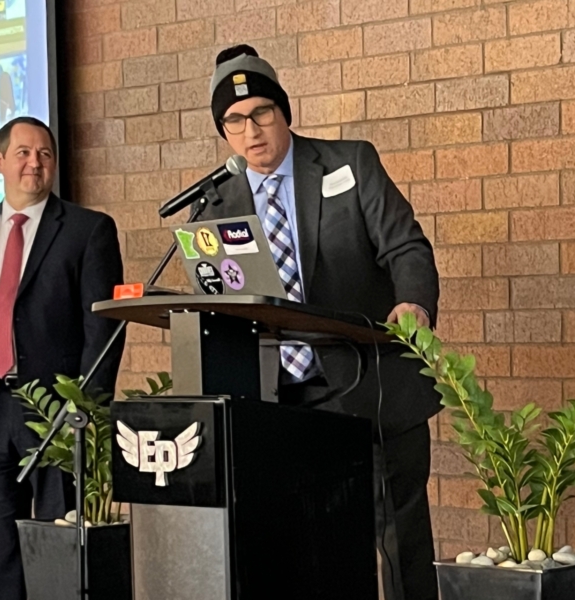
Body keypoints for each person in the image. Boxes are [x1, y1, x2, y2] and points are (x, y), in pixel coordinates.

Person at [198, 45, 441, 600]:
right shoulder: (216, 207)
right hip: (278, 401)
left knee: (400, 545)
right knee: (302, 546)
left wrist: (414, 306)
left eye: (261, 112)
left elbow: (406, 248)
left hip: (369, 385)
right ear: (224, 132)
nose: (251, 130)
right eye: (234, 122)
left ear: (284, 111)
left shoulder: (348, 164)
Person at [0, 116, 125, 600]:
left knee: (60, 545)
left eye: (44, 154)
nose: (34, 163)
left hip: (58, 413)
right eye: (22, 152)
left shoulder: (88, 230)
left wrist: (85, 408)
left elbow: (103, 331)